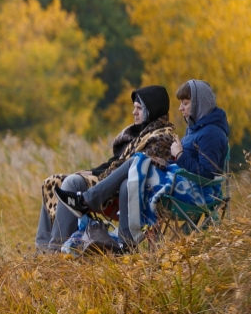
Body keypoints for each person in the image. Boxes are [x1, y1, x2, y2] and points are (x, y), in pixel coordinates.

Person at [55, 79, 229, 249]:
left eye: (185, 103)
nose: (180, 108)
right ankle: (126, 243)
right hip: (182, 183)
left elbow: (206, 174)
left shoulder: (211, 133)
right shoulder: (196, 128)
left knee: (137, 159)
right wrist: (168, 160)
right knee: (127, 182)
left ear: (200, 103)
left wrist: (180, 154)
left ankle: (87, 200)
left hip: (198, 193)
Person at [35, 86, 177, 252]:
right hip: (110, 181)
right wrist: (92, 172)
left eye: (139, 108)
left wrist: (96, 175)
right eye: (134, 108)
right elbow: (115, 162)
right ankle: (42, 250)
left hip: (124, 190)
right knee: (52, 182)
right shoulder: (138, 134)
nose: (134, 112)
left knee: (72, 182)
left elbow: (136, 168)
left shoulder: (162, 137)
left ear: (152, 110)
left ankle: (55, 250)